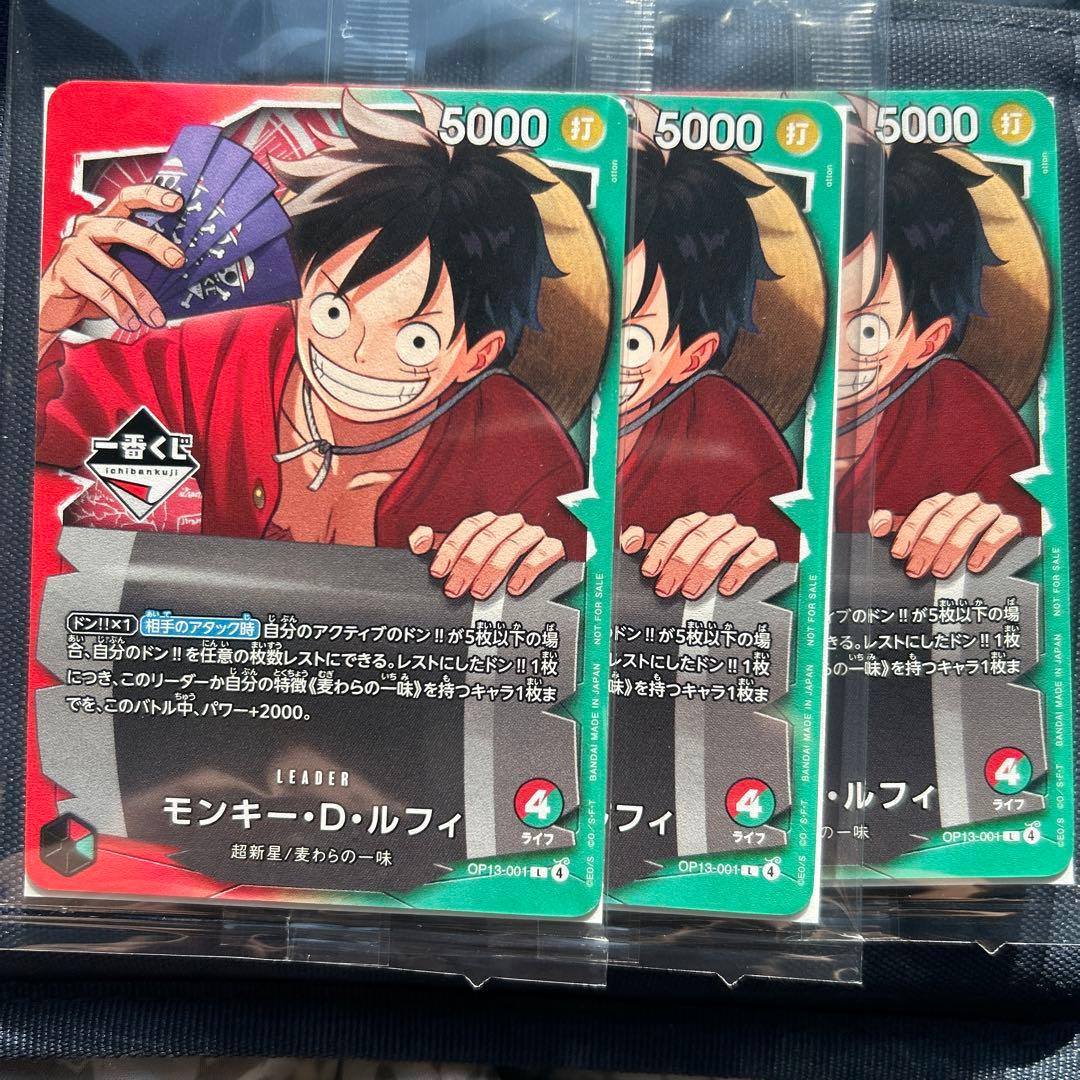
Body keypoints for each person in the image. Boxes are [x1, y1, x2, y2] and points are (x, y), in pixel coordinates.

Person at [36, 90, 591, 600]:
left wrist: (537, 564)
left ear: (477, 355)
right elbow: (42, 427)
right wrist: (43, 317)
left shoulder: (524, 458)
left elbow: (573, 616)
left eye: (416, 340)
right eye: (333, 312)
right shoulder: (218, 357)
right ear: (300, 291)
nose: (355, 353)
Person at [835, 128, 1041, 579]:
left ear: (927, 341)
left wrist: (991, 528)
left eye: (866, 330)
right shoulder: (723, 423)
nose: (834, 356)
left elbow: (1030, 542)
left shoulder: (968, 421)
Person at [618, 113, 800, 600]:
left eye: (633, 342)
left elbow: (786, 563)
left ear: (692, 356)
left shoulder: (736, 448)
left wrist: (753, 555)